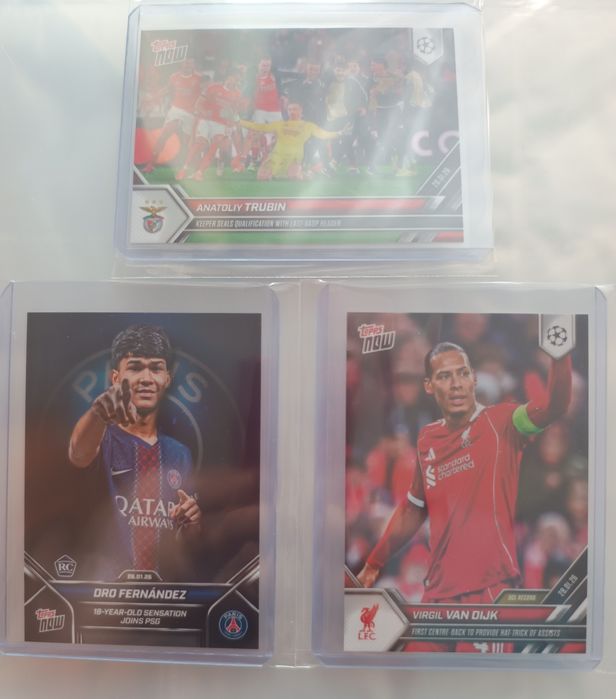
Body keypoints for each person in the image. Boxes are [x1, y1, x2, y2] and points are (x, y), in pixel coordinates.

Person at [357, 341, 572, 651]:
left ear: (474, 379)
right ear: (429, 386)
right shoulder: (427, 438)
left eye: (462, 373)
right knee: (418, 675)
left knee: (478, 679)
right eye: (445, 376)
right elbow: (414, 507)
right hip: (437, 595)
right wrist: (374, 562)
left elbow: (555, 405)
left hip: (489, 590)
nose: (456, 383)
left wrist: (560, 351)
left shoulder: (503, 422)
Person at [68, 324, 202, 580]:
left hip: (163, 594)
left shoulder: (180, 454)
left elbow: (187, 543)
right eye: (135, 367)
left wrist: (192, 525)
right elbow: (78, 453)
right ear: (116, 377)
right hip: (103, 590)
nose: (146, 378)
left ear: (167, 378)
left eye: (156, 368)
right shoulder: (100, 435)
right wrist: (97, 413)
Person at [237, 102, 350, 180]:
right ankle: (282, 172)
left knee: (294, 177)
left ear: (301, 111)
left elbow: (323, 134)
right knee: (261, 177)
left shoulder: (308, 125)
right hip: (276, 156)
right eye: (290, 109)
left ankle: (304, 172)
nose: (292, 111)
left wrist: (339, 133)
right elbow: (260, 127)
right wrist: (240, 121)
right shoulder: (280, 124)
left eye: (295, 109)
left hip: (294, 157)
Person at [141, 58, 201, 174]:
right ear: (181, 64)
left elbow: (206, 94)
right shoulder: (174, 77)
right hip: (176, 110)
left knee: (189, 143)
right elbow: (167, 89)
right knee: (164, 135)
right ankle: (150, 165)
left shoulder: (199, 78)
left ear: (193, 65)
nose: (187, 65)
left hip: (191, 114)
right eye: (185, 63)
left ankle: (195, 169)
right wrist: (152, 98)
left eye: (190, 63)